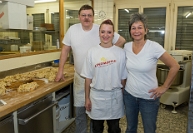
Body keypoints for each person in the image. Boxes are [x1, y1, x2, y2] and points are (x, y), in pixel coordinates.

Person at [55, 5, 126, 133]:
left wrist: (108, 52)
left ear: (93, 17)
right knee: (80, 111)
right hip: (80, 78)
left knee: (96, 114)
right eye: (83, 15)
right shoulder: (72, 30)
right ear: (79, 17)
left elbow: (121, 40)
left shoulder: (100, 29)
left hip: (98, 79)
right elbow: (65, 50)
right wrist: (60, 70)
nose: (86, 18)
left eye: (89, 15)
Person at [123, 13, 180, 133]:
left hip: (149, 98)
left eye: (140, 27)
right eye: (133, 28)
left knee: (149, 130)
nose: (136, 31)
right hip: (129, 96)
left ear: (146, 30)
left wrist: (164, 87)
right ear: (130, 31)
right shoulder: (126, 47)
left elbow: (175, 66)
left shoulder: (154, 47)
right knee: (130, 128)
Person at [81, 19, 127, 133]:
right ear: (99, 33)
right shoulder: (91, 52)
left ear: (113, 34)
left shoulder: (120, 52)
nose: (105, 35)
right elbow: (88, 78)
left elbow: (123, 78)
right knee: (96, 129)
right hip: (96, 97)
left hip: (115, 97)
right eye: (103, 32)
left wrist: (121, 97)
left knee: (114, 128)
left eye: (109, 32)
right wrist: (87, 98)